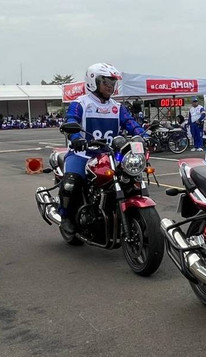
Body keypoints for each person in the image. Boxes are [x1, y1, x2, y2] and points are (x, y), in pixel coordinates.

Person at [58, 63, 147, 234]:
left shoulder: (117, 107)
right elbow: (71, 120)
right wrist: (76, 139)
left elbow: (130, 123)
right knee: (71, 183)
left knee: (131, 180)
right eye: (106, 82)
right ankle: (66, 217)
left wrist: (144, 135)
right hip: (82, 154)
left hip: (110, 156)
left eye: (112, 83)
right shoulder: (80, 104)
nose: (110, 87)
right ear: (93, 82)